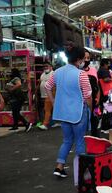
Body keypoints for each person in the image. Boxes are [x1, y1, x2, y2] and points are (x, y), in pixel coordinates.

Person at [45, 45, 92, 179]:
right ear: (79, 59)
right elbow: (88, 96)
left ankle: (59, 167)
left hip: (63, 113)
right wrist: (91, 108)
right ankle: (83, 172)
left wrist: (54, 102)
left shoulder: (57, 72)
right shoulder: (81, 74)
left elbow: (48, 87)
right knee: (80, 141)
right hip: (78, 112)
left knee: (66, 141)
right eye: (83, 58)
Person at [83, 50, 101, 137]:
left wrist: (98, 98)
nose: (86, 60)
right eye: (84, 58)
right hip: (81, 102)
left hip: (93, 100)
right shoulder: (76, 72)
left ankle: (94, 140)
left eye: (88, 58)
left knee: (94, 121)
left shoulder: (93, 71)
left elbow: (97, 87)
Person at [36, 62, 54, 130]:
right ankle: (51, 122)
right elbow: (40, 82)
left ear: (51, 67)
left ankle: (45, 124)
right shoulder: (43, 74)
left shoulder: (53, 73)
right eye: (44, 66)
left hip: (50, 95)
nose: (45, 67)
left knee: (47, 109)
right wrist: (36, 91)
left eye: (47, 66)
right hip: (43, 95)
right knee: (48, 109)